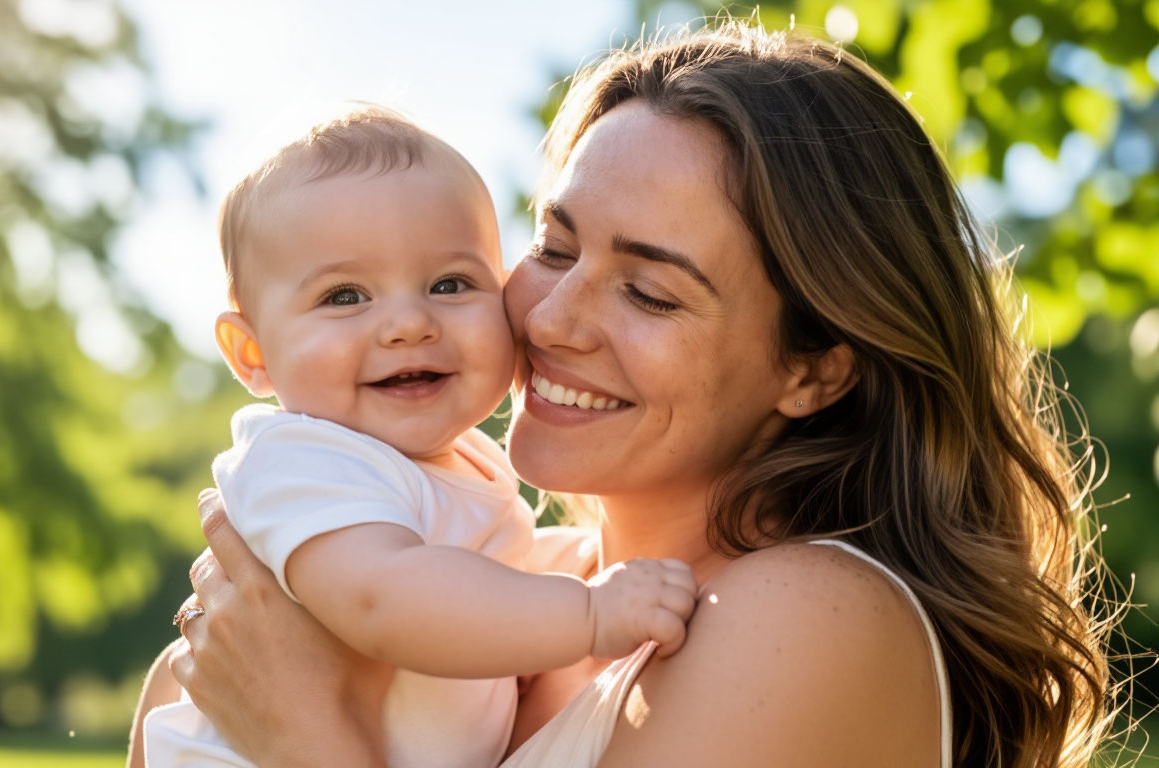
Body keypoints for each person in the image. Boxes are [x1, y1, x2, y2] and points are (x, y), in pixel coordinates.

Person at [131, 20, 1119, 768]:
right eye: (553, 247)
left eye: (649, 291)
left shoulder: (810, 617)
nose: (555, 316)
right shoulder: (512, 579)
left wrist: (306, 733)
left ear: (813, 367)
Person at [135, 106, 698, 768]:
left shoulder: (453, 467)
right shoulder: (303, 460)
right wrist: (589, 616)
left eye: (449, 283)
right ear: (251, 349)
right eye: (345, 296)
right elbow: (385, 595)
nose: (408, 322)